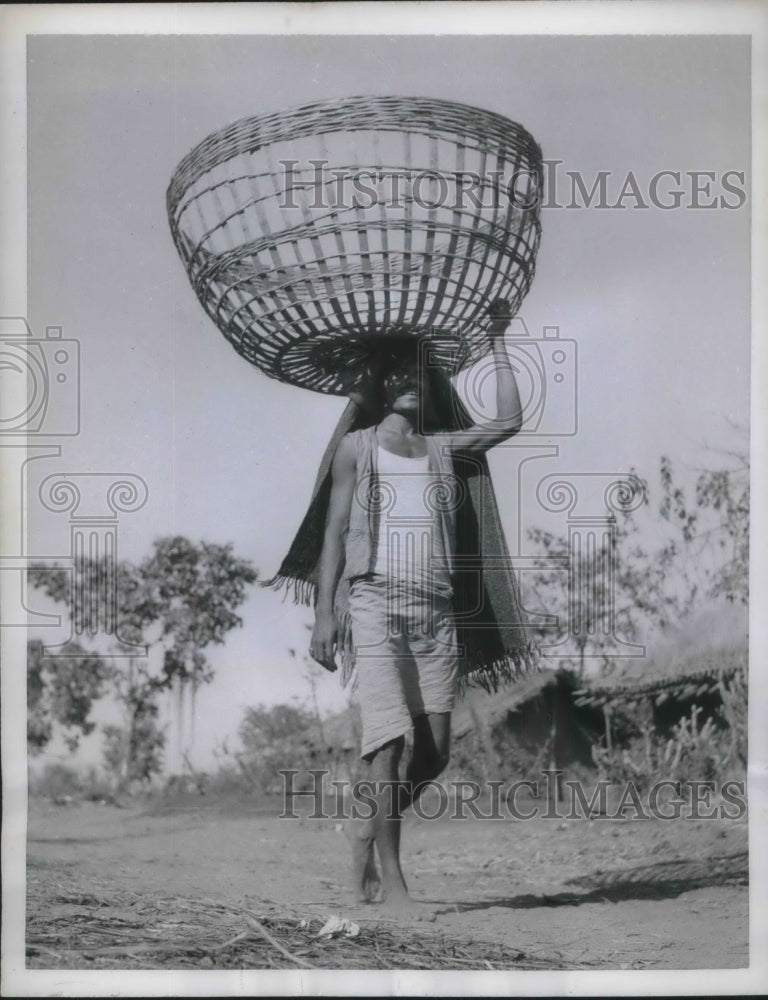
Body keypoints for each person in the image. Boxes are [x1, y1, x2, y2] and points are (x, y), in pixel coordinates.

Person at [306, 300, 527, 917]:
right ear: (379, 385)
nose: (407, 383)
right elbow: (333, 534)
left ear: (431, 385)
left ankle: (363, 831)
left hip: (435, 609)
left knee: (435, 753)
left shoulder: (438, 447)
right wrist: (326, 613)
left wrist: (497, 338)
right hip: (375, 601)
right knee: (388, 744)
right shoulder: (357, 448)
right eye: (395, 374)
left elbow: (508, 419)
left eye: (417, 374)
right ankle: (396, 887)